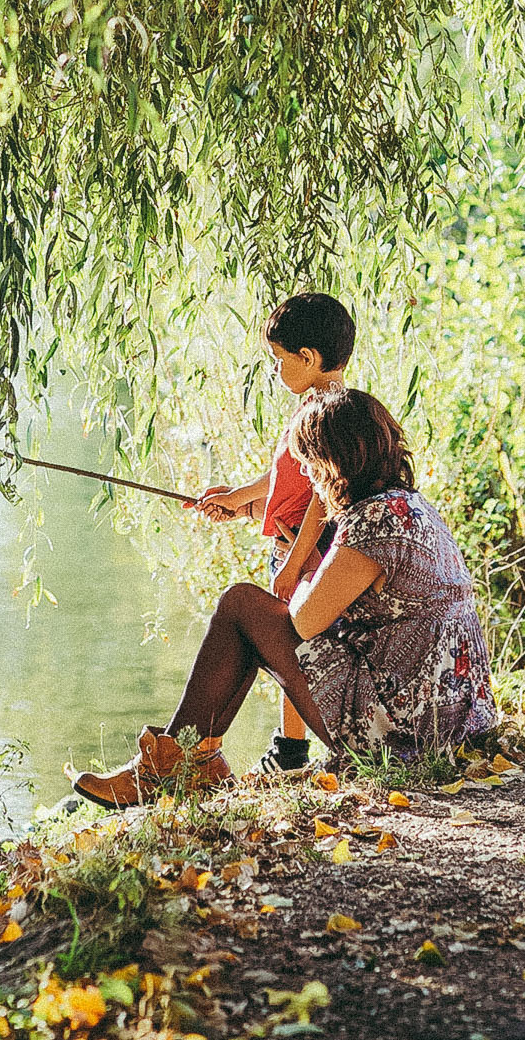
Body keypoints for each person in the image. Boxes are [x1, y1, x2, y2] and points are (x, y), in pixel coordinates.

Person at [73, 388, 496, 808]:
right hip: (456, 719)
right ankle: (187, 762)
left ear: (335, 464)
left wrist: (306, 569)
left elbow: (304, 623)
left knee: (241, 604)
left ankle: (170, 769)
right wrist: (247, 511)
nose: (309, 478)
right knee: (250, 615)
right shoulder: (409, 506)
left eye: (310, 465)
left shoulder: (370, 524)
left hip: (405, 733)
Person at [191, 292, 353, 774]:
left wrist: (297, 559)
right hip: (292, 548)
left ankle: (291, 750)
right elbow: (282, 480)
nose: (276, 369)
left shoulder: (325, 415)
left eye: (280, 359)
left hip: (308, 555)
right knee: (288, 645)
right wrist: (237, 501)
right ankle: (291, 748)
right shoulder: (314, 408)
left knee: (293, 646)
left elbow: (323, 498)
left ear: (308, 358)